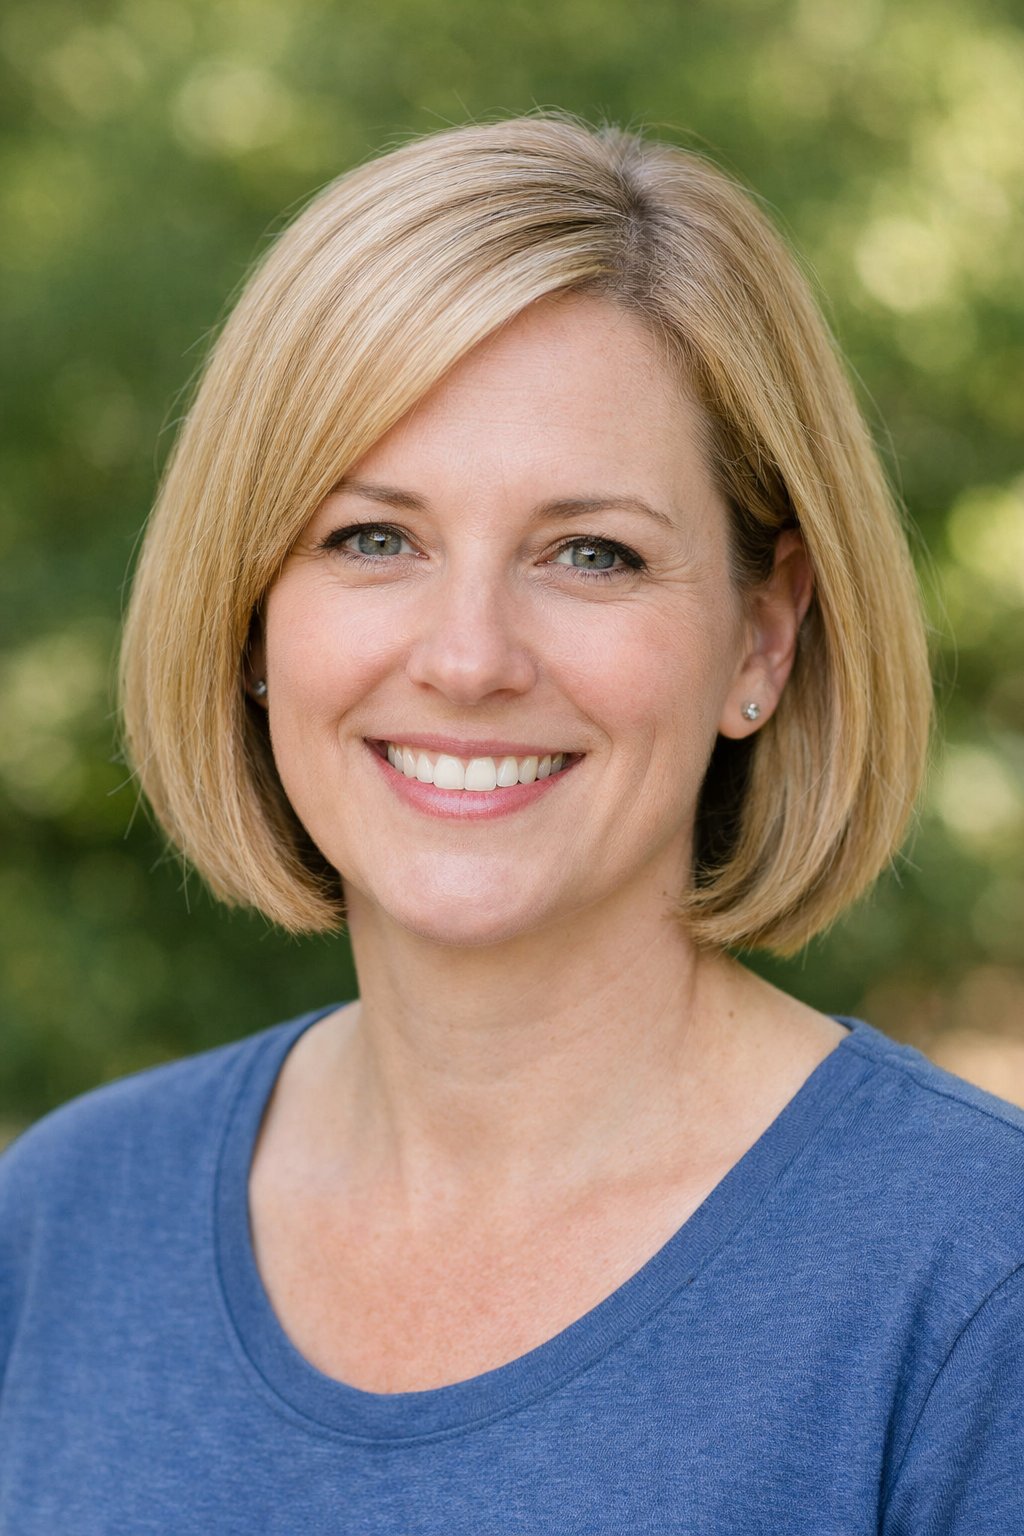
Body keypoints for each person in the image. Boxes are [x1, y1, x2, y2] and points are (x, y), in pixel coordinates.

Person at [1, 112, 1021, 1534]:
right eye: (372, 538)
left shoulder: (973, 1286)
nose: (469, 657)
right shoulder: (61, 1224)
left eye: (590, 554)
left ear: (763, 638)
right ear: (249, 614)